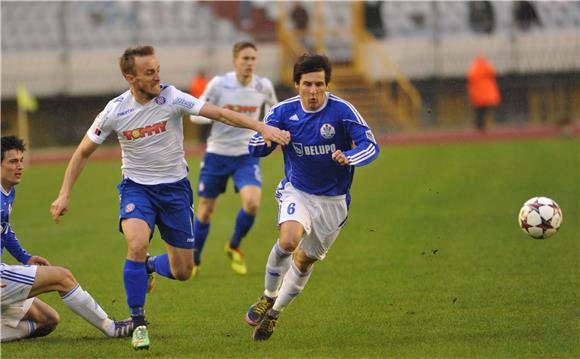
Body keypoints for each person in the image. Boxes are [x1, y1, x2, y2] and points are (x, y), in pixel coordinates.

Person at [49, 45, 290, 350]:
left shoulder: (171, 97)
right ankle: (138, 323)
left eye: (158, 70)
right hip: (137, 189)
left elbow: (217, 112)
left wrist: (260, 125)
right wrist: (64, 193)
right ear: (130, 77)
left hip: (175, 191)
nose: (157, 77)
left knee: (183, 271)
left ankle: (149, 266)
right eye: (149, 73)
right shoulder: (115, 110)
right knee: (136, 244)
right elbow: (83, 151)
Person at [244, 54, 379, 341]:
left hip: (334, 202)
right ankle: (267, 295)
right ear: (296, 85)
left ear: (327, 85)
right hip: (298, 191)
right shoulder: (282, 112)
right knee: (289, 240)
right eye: (307, 84)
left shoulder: (343, 111)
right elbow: (255, 143)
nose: (313, 91)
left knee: (304, 261)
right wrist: (270, 139)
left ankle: (275, 314)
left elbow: (371, 145)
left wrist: (350, 156)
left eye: (319, 84)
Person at [1, 136, 134, 342]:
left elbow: (5, 229)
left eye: (21, 160)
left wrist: (25, 258)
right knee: (62, 277)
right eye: (12, 162)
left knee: (48, 320)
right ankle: (111, 327)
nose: (19, 166)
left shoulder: (9, 192)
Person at [189, 41, 278, 276]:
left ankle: (234, 245)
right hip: (217, 153)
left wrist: (271, 129)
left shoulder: (263, 85)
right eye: (245, 58)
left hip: (246, 155)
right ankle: (195, 258)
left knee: (252, 203)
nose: (249, 63)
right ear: (235, 61)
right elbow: (195, 114)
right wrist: (220, 117)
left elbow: (275, 112)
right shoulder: (219, 84)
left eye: (253, 59)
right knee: (206, 211)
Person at [467, 55, 501, 131]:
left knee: (479, 111)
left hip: (478, 97)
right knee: (482, 111)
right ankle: (480, 125)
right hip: (485, 97)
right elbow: (493, 72)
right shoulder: (486, 68)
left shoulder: (474, 70)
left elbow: (471, 80)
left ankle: (479, 125)